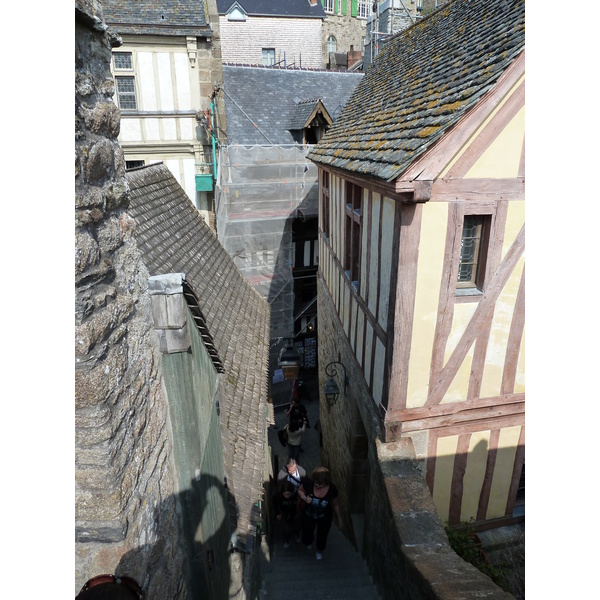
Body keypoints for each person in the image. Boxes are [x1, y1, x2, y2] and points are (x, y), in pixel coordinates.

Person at [298, 466, 343, 560]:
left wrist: (340, 519)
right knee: (306, 534)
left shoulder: (332, 490)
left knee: (322, 536)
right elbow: (300, 490)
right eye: (316, 484)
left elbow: (336, 505)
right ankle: (309, 541)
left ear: (326, 482)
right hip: (309, 514)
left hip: (324, 516)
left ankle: (319, 550)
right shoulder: (309, 483)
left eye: (320, 485)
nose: (317, 486)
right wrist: (305, 498)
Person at [271, 479, 301, 547]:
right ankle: (287, 540)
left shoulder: (296, 495)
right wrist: (277, 513)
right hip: (283, 514)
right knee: (286, 530)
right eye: (285, 494)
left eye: (288, 494)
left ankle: (297, 534)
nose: (287, 496)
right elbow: (274, 504)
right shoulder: (277, 496)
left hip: (294, 514)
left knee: (297, 526)